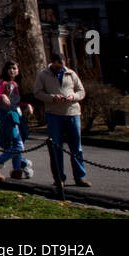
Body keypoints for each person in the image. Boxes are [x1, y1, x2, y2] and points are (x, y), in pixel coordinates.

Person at [35, 52, 90, 187]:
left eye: (63, 66)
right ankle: (59, 178)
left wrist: (73, 96)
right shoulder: (43, 75)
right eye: (58, 66)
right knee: (56, 147)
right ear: (52, 63)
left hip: (72, 113)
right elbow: (37, 92)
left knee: (76, 147)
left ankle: (80, 177)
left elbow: (81, 91)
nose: (61, 68)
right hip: (54, 114)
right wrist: (52, 97)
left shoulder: (71, 74)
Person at [0, 61, 32, 180]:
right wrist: (1, 95)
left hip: (16, 116)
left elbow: (15, 102)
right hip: (7, 117)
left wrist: (26, 105)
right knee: (18, 146)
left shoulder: (15, 84)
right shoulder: (2, 83)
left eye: (14, 68)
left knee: (15, 144)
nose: (12, 71)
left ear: (18, 71)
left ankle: (17, 170)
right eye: (9, 68)